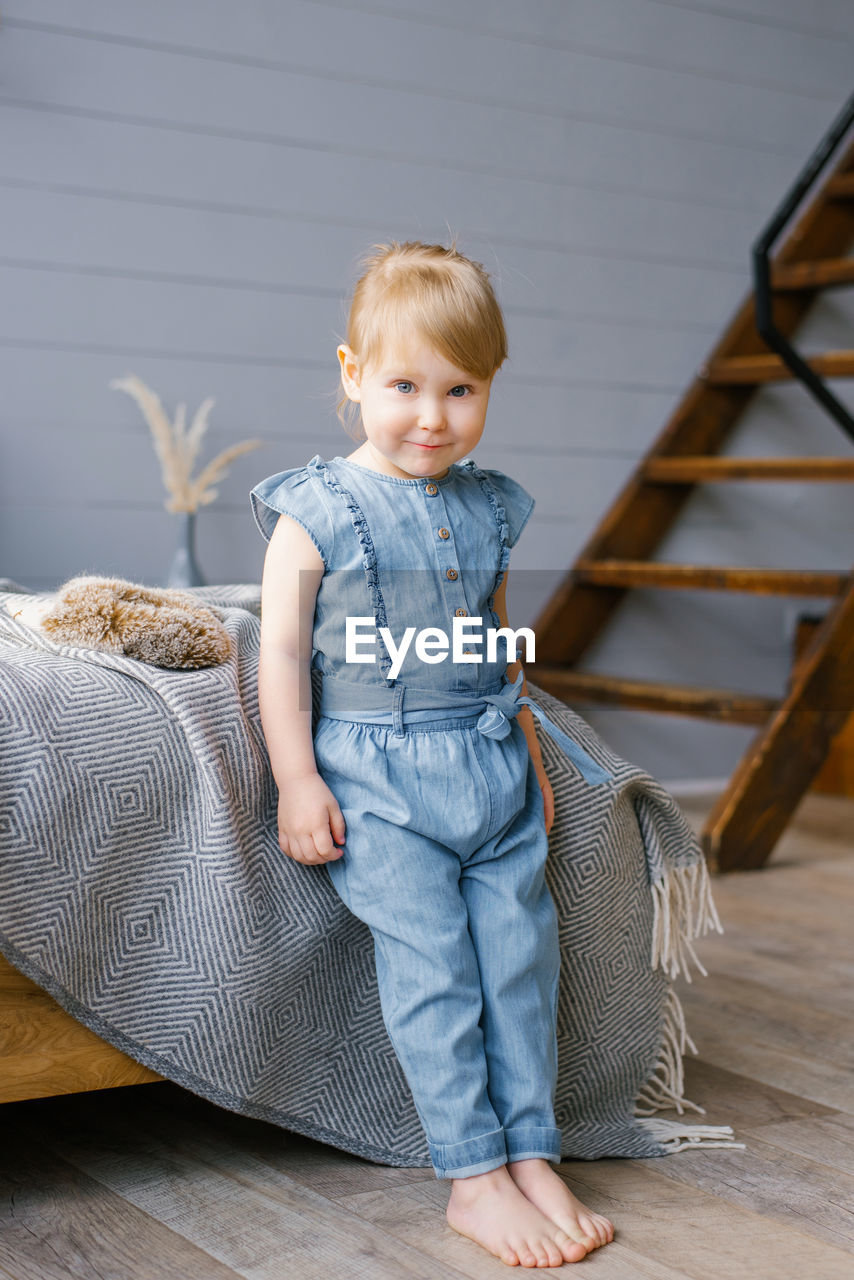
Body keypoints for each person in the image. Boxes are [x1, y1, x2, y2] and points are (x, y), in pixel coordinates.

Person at [251, 240, 615, 1268]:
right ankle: (470, 1172)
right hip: (380, 780)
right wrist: (297, 776)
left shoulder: (492, 505)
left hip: (490, 769)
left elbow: (498, 646)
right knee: (436, 967)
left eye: (461, 388)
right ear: (352, 373)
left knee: (518, 961)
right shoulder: (311, 510)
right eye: (404, 383)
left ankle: (528, 1147)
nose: (431, 415)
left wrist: (533, 761)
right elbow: (279, 649)